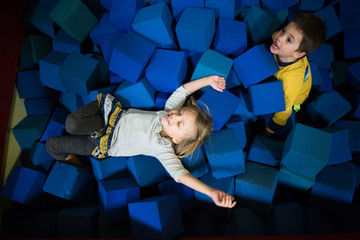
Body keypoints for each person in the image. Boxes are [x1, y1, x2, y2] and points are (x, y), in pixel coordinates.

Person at [46, 75, 236, 208]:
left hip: (104, 144)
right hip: (108, 119)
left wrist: (211, 192)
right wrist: (208, 81)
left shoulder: (163, 148)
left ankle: (80, 165)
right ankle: (89, 119)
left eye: (179, 124)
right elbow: (183, 91)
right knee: (71, 124)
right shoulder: (167, 111)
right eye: (179, 113)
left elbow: (180, 175)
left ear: (177, 139)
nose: (173, 116)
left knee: (52, 145)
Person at [263, 12, 327, 137]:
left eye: (289, 40)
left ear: (298, 54)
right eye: (283, 30)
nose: (280, 37)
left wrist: (268, 131)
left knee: (292, 106)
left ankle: (298, 110)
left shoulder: (292, 79)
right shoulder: (279, 42)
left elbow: (284, 109)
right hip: (279, 74)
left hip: (296, 97)